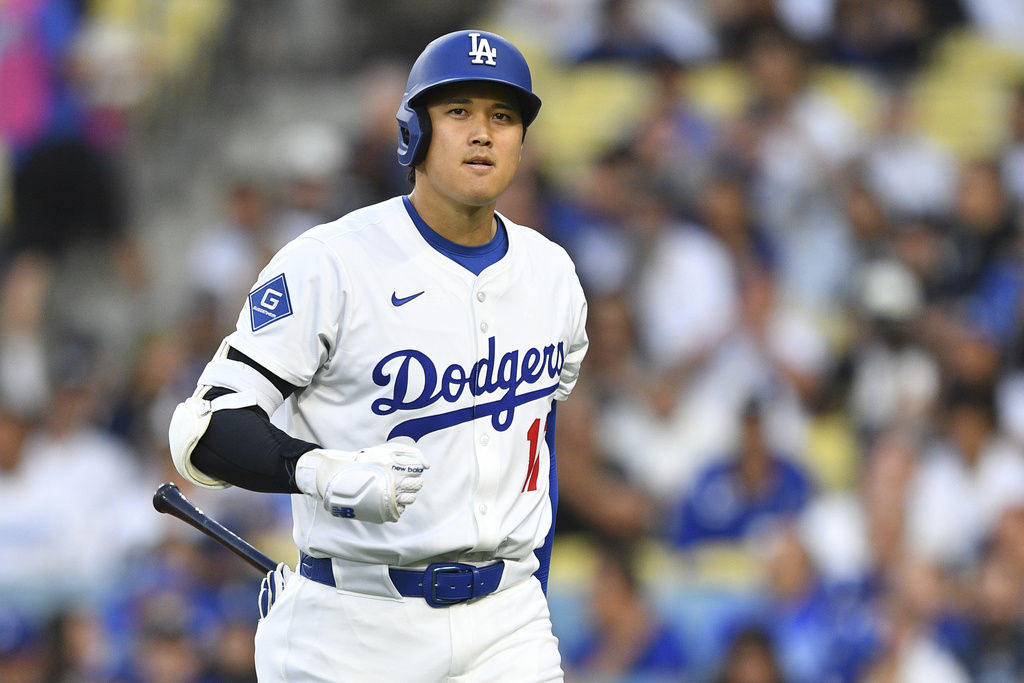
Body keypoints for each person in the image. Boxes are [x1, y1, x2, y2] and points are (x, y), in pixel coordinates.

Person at [167, 29, 589, 682]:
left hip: (508, 624)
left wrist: (534, 593)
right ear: (413, 132)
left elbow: (540, 447)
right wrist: (321, 471)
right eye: (459, 112)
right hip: (353, 622)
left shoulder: (552, 273)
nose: (483, 133)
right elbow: (202, 430)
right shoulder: (330, 263)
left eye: (503, 116)